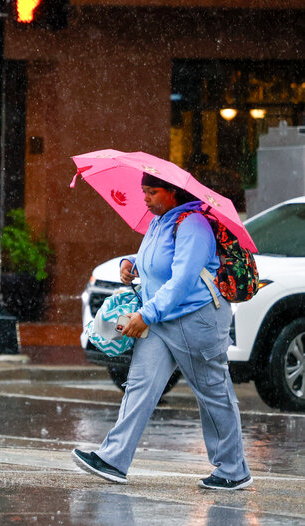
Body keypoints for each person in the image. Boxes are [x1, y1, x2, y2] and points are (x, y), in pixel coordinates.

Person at [73, 172, 252, 490]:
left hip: (197, 318)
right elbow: (157, 262)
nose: (145, 198)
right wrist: (131, 263)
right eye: (143, 191)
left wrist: (146, 314)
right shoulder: (160, 222)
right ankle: (114, 459)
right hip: (161, 317)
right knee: (140, 386)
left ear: (173, 192)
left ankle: (232, 470)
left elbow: (182, 280)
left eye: (152, 192)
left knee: (212, 392)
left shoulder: (193, 224)